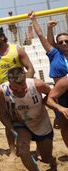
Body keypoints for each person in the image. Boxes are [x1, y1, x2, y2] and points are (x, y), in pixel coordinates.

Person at [0, 27, 35, 161]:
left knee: (29, 118)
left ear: (3, 38)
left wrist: (24, 85)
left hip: (20, 91)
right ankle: (12, 150)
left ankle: (35, 147)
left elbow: (30, 68)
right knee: (8, 122)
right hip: (2, 93)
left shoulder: (16, 49)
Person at [0, 67, 57, 171]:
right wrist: (10, 127)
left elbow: (52, 96)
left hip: (40, 122)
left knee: (45, 158)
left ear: (25, 80)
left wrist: (57, 114)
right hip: (21, 124)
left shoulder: (37, 84)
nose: (19, 91)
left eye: (22, 87)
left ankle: (52, 161)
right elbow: (2, 113)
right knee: (23, 151)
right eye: (15, 89)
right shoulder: (2, 91)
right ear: (10, 83)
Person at [29, 11, 68, 147]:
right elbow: (41, 36)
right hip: (60, 94)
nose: (64, 43)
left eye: (66, 41)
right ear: (57, 44)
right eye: (61, 42)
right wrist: (33, 20)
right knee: (65, 126)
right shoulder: (54, 54)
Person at [47, 76, 68, 147]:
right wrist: (60, 108)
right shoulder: (65, 82)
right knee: (65, 127)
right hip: (65, 114)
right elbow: (49, 99)